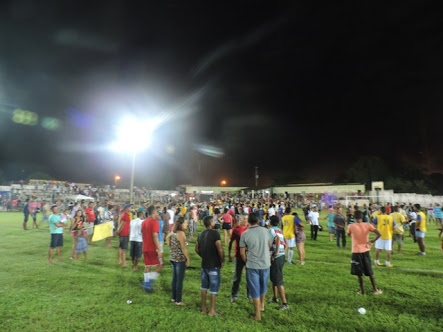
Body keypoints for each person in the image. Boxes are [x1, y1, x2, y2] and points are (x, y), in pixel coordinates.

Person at [240, 213, 272, 321]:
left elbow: (242, 253)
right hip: (265, 263)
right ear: (258, 220)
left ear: (248, 221)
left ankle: (257, 314)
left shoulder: (245, 234)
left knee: (255, 289)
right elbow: (269, 244)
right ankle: (262, 305)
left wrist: (246, 262)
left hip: (252, 265)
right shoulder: (265, 231)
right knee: (263, 286)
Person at [347, 210, 382, 295]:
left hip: (356, 251)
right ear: (362, 217)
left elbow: (348, 234)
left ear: (354, 217)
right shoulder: (367, 225)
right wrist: (373, 241)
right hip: (365, 250)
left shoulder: (351, 226)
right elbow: (379, 234)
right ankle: (375, 290)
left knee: (359, 273)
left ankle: (362, 291)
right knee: (369, 271)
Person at [195, 215, 224, 316]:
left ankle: (203, 309)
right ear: (211, 223)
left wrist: (203, 256)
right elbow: (219, 248)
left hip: (204, 264)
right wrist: (222, 260)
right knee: (213, 289)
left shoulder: (200, 234)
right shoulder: (215, 234)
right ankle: (212, 311)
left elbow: (196, 249)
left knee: (203, 287)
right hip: (214, 265)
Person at [167, 217, 190, 306]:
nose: (186, 225)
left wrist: (171, 248)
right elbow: (183, 248)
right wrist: (188, 258)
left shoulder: (174, 232)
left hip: (173, 258)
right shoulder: (181, 233)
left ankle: (174, 297)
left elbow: (167, 240)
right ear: (181, 224)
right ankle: (179, 300)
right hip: (180, 260)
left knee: (175, 279)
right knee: (179, 280)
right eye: (185, 223)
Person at [228, 212, 250, 303]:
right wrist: (229, 254)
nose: (245, 220)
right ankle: (234, 295)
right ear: (240, 219)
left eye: (247, 218)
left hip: (249, 256)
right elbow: (231, 242)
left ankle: (250, 296)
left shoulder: (251, 228)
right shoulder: (236, 229)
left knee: (249, 277)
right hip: (238, 256)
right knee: (237, 277)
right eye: (244, 218)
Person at [268, 215, 289, 310]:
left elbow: (277, 239)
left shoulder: (271, 230)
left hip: (276, 257)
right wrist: (282, 251)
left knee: (278, 280)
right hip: (281, 256)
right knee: (274, 277)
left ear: (270, 222)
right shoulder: (280, 230)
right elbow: (286, 244)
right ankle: (275, 297)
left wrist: (276, 253)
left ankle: (285, 304)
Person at [141, 205, 163, 292]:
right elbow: (155, 236)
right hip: (152, 248)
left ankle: (146, 284)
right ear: (154, 212)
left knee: (147, 266)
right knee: (161, 264)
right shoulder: (154, 222)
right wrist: (159, 249)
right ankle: (148, 283)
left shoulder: (144, 222)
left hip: (145, 247)